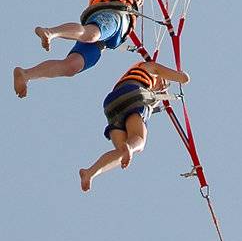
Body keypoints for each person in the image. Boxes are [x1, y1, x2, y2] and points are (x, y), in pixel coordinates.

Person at [12, 0, 154, 98]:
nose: (137, 2)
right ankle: (50, 32)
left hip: (103, 43)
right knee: (91, 34)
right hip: (111, 16)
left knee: (71, 66)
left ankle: (26, 74)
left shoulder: (128, 20)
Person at [79, 57, 189, 192]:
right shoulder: (148, 68)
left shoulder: (135, 78)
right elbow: (170, 74)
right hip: (133, 95)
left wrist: (157, 98)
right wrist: (181, 76)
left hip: (111, 104)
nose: (162, 86)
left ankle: (90, 172)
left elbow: (146, 105)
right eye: (164, 82)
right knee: (139, 141)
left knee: (120, 153)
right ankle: (130, 148)